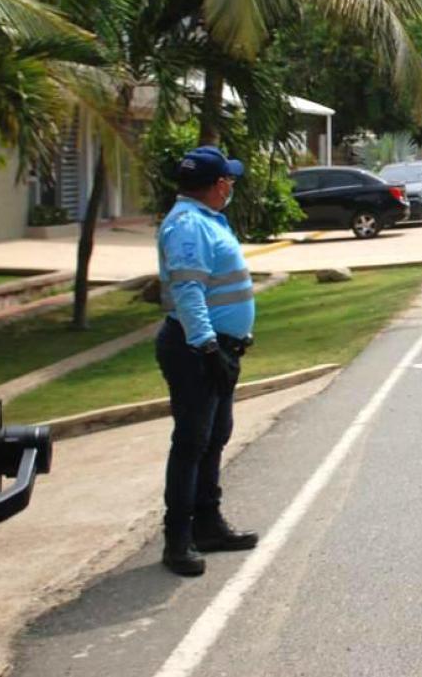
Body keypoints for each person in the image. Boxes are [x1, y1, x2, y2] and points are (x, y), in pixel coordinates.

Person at [156, 146, 260, 575]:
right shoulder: (187, 226)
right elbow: (188, 292)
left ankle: (208, 523)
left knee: (215, 436)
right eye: (228, 180)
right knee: (191, 443)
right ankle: (178, 539)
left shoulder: (204, 221)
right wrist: (208, 347)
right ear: (218, 185)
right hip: (195, 349)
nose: (231, 186)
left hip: (217, 348)